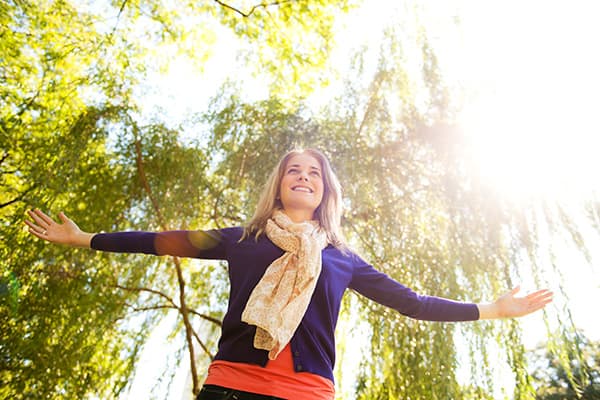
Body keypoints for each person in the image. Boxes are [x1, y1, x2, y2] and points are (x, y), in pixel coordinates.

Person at [25, 148, 553, 400]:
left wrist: (492, 308)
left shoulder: (342, 258)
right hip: (231, 387)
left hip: (308, 395)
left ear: (325, 191)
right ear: (279, 187)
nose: (303, 177)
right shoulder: (243, 238)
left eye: (314, 173)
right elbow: (163, 242)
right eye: (293, 172)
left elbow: (412, 302)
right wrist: (86, 238)